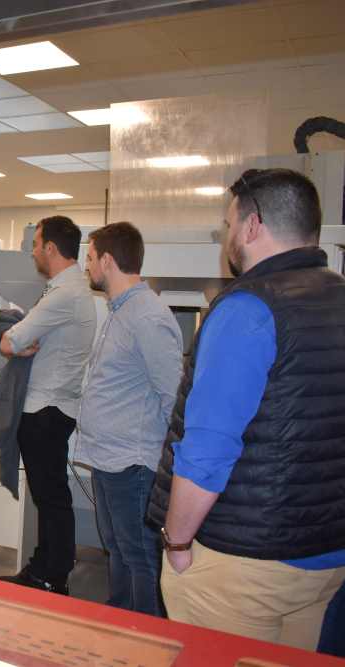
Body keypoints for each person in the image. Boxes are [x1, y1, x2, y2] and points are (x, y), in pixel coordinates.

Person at [148, 168, 345, 650]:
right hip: (326, 555)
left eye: (229, 224)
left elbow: (207, 451)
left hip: (244, 564)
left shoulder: (248, 309)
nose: (227, 236)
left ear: (252, 226)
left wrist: (176, 542)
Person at [75, 222, 182, 616]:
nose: (87, 266)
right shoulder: (120, 311)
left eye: (90, 258)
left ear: (107, 260)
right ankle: (121, 624)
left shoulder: (147, 316)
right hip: (108, 459)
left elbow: (173, 396)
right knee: (118, 550)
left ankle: (148, 637)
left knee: (139, 556)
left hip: (134, 464)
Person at [0, 216, 96, 595]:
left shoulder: (63, 294)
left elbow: (10, 341)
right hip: (54, 408)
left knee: (50, 497)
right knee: (50, 495)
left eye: (36, 244)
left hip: (45, 410)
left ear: (51, 248)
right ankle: (45, 567)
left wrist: (16, 342)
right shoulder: (70, 290)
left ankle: (51, 575)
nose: (34, 252)